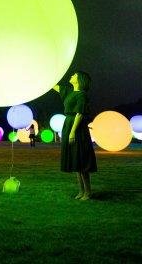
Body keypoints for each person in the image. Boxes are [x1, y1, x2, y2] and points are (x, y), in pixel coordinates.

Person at [53, 71, 97, 200]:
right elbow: (54, 86)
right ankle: (81, 191)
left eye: (74, 75)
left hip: (77, 127)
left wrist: (72, 132)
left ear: (79, 79)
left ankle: (88, 192)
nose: (71, 76)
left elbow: (79, 114)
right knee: (75, 160)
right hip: (68, 124)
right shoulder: (69, 92)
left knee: (81, 159)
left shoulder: (82, 95)